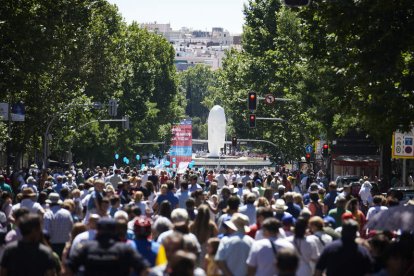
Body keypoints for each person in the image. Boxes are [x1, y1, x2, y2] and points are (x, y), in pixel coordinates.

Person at [66, 218, 149, 276]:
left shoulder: (86, 248)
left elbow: (68, 269)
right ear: (115, 231)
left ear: (97, 231)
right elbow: (145, 269)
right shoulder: (125, 249)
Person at [43, 193, 74, 258]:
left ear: (49, 203)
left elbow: (46, 232)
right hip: (65, 244)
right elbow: (71, 229)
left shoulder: (48, 214)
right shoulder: (67, 213)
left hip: (52, 245)